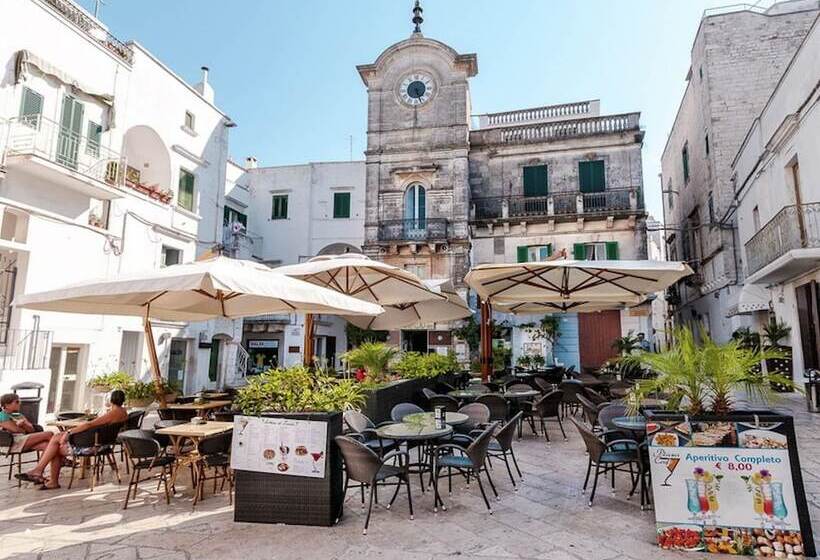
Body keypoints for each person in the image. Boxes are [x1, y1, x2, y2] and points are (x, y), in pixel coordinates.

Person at [18, 389, 128, 489]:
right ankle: (45, 475)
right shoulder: (123, 412)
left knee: (54, 446)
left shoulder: (114, 412)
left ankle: (43, 474)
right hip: (102, 444)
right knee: (55, 441)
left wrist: (69, 432)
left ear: (111, 400)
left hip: (94, 446)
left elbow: (89, 425)